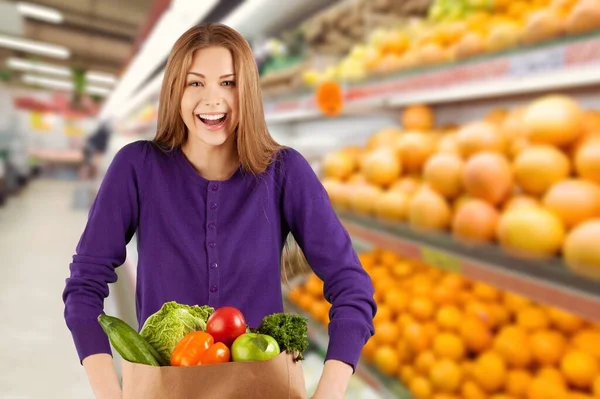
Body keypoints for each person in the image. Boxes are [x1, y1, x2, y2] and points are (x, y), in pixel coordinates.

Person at [62, 23, 376, 399]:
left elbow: (352, 286)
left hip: (264, 390)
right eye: (195, 83)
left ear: (248, 92)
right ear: (175, 91)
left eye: (228, 83)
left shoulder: (285, 172)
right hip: (165, 390)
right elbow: (84, 286)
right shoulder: (136, 167)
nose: (213, 100)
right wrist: (110, 393)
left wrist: (328, 393)